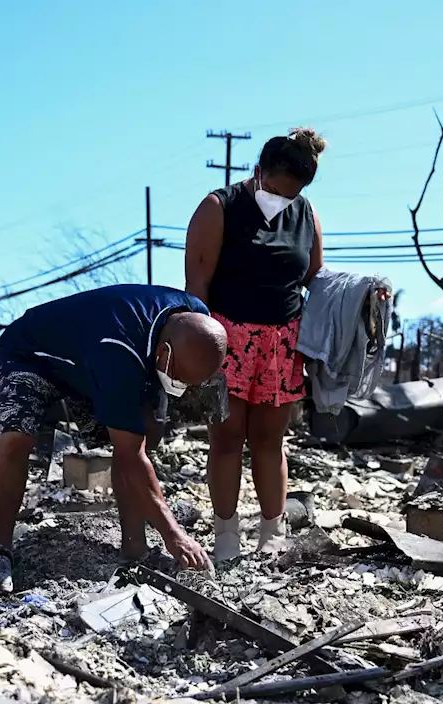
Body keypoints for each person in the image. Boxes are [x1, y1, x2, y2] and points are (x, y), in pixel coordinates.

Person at [0, 284, 228, 592]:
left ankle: (135, 549)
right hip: (31, 354)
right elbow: (130, 455)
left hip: (91, 356)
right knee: (17, 437)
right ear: (165, 351)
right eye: (179, 378)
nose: (181, 387)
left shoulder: (196, 319)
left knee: (141, 435)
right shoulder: (119, 350)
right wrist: (175, 534)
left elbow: (137, 443)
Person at [183, 127, 326, 562]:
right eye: (278, 190)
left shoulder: (307, 215)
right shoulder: (218, 208)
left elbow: (316, 280)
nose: (283, 201)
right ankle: (226, 535)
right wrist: (199, 351)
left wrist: (366, 293)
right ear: (259, 171)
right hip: (226, 338)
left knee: (270, 439)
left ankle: (272, 532)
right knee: (226, 437)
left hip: (282, 343)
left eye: (292, 195)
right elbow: (197, 285)